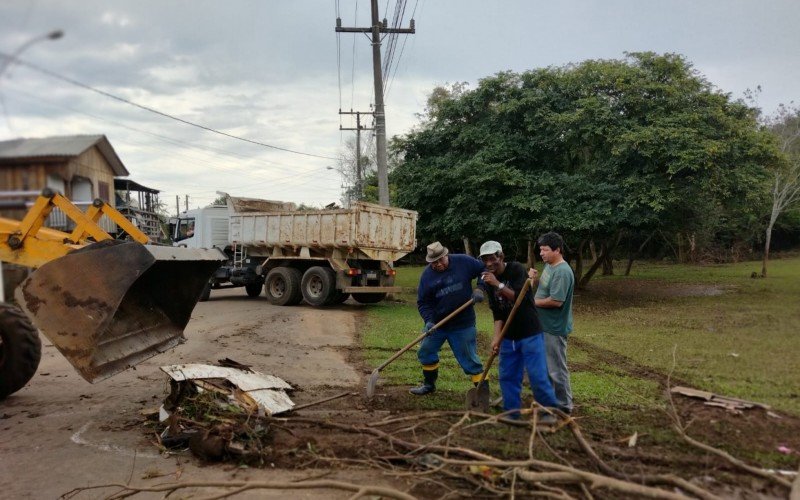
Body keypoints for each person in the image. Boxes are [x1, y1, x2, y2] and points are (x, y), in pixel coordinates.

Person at [479, 240, 559, 420]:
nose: (489, 263)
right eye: (485, 260)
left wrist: (498, 284)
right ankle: (511, 412)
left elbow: (519, 299)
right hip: (509, 337)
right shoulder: (489, 282)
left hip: (529, 332)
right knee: (507, 375)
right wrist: (496, 338)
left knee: (537, 375)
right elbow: (497, 313)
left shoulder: (516, 269)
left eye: (492, 258)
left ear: (501, 256)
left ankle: (547, 412)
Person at [411, 241, 486, 395]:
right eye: (434, 262)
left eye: (440, 260)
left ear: (446, 254)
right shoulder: (427, 276)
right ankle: (429, 385)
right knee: (425, 352)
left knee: (470, 360)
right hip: (437, 324)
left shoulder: (463, 261)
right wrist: (429, 321)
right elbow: (423, 302)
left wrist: (480, 287)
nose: (438, 264)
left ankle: (483, 394)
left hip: (462, 323)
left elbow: (483, 269)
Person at [530, 232, 575, 415]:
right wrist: (533, 280)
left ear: (557, 250)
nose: (541, 253)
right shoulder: (550, 266)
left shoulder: (562, 272)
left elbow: (556, 301)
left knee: (557, 369)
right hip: (543, 325)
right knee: (546, 367)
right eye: (540, 250)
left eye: (545, 250)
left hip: (554, 328)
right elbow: (544, 289)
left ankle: (564, 406)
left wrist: (530, 303)